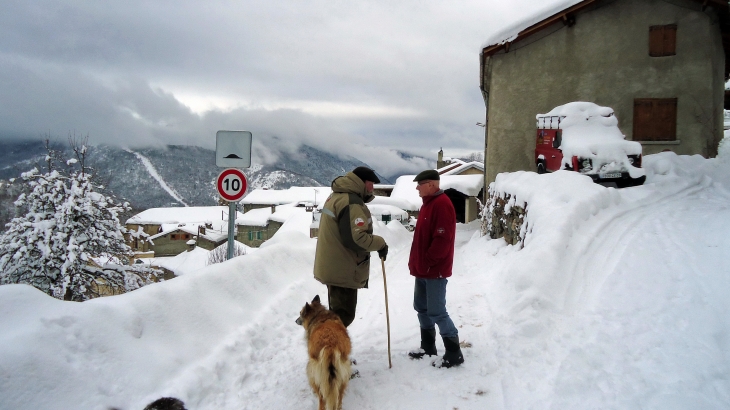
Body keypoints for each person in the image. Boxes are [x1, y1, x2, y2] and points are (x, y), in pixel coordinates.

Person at [313, 166, 389, 328]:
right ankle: (328, 350)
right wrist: (380, 243)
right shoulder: (352, 202)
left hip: (334, 265)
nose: (372, 188)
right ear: (361, 182)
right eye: (371, 184)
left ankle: (330, 350)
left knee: (337, 314)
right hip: (343, 269)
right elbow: (356, 239)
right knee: (342, 317)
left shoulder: (337, 195)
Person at [407, 169, 464, 368]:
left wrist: (429, 261)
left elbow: (442, 239)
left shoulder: (441, 204)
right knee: (421, 308)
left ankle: (454, 352)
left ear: (432, 184)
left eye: (420, 184)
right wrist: (417, 262)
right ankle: (428, 347)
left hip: (434, 271)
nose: (417, 187)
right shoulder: (427, 204)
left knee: (437, 311)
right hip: (423, 270)